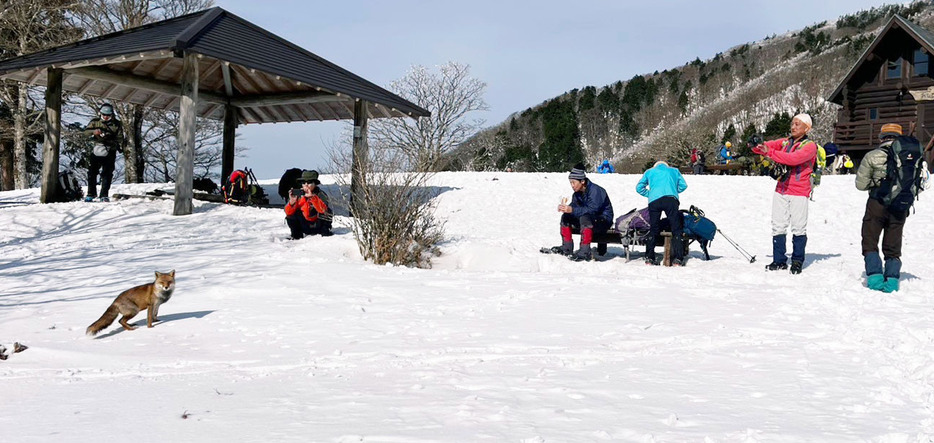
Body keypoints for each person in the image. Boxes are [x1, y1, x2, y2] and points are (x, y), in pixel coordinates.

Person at [751, 113, 818, 274]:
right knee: (778, 225)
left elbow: (793, 159)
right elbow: (765, 147)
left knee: (798, 227)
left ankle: (797, 261)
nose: (793, 127)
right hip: (781, 188)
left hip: (799, 190)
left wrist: (769, 152)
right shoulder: (785, 142)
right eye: (792, 123)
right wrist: (755, 145)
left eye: (797, 124)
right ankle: (779, 260)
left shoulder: (810, 146)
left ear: (806, 128)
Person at [856, 123, 911, 293]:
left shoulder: (872, 156)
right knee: (893, 244)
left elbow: (861, 184)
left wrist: (877, 183)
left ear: (882, 137)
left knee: (870, 240)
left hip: (876, 203)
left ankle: (874, 277)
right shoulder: (910, 155)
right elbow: (921, 183)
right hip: (900, 206)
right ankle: (892, 279)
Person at [556, 163, 614, 262]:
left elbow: (593, 210)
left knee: (585, 218)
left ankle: (585, 251)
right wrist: (566, 209)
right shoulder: (577, 194)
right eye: (571, 183)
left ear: (582, 181)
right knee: (566, 217)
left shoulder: (595, 191)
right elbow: (574, 208)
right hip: (588, 220)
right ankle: (566, 248)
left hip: (603, 220)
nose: (572, 185)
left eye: (573, 182)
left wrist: (572, 210)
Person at [636, 160, 688, 266]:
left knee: (654, 228)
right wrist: (673, 190)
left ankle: (649, 258)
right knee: (675, 228)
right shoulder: (674, 171)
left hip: (654, 201)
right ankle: (678, 259)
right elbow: (683, 185)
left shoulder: (649, 172)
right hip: (671, 200)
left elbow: (639, 188)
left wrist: (650, 194)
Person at [82, 103, 124, 202]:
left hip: (110, 151)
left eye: (108, 115)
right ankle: (91, 194)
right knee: (92, 172)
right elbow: (85, 133)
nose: (105, 117)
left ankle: (104, 195)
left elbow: (120, 138)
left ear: (111, 115)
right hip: (96, 149)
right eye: (104, 115)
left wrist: (111, 140)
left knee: (107, 173)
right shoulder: (94, 122)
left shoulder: (117, 124)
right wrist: (94, 132)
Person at [284, 170, 333, 239]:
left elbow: (323, 210)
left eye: (309, 182)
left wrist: (313, 198)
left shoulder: (321, 194)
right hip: (304, 225)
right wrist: (291, 202)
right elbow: (288, 212)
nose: (306, 185)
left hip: (318, 224)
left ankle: (325, 233)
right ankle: (296, 235)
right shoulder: (298, 195)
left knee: (328, 211)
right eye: (303, 182)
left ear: (315, 184)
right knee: (291, 215)